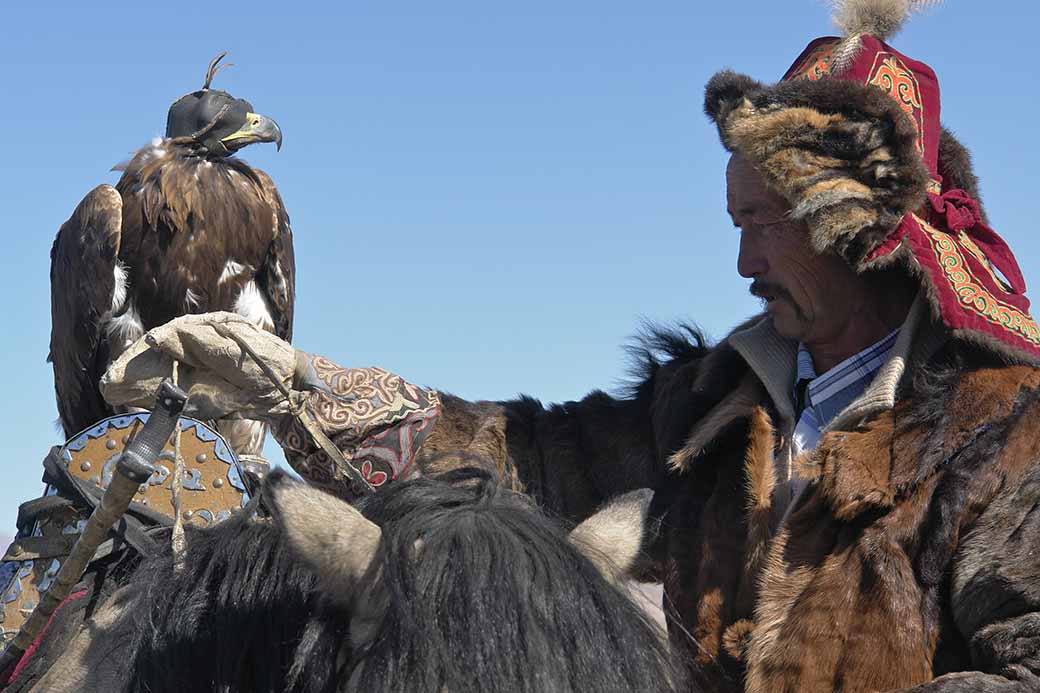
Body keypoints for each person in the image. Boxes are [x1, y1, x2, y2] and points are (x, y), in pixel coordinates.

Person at [102, 1, 1040, 690]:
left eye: (763, 222)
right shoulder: (713, 405)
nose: (743, 257)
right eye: (734, 219)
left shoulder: (1005, 436)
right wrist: (299, 384)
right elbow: (526, 457)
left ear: (849, 224)